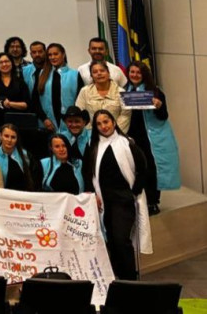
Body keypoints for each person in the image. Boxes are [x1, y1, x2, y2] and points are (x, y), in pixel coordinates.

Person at [83, 110, 148, 281]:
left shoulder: (127, 143)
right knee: (111, 240)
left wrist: (134, 191)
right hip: (104, 201)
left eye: (106, 122)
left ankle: (130, 279)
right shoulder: (93, 146)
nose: (104, 126)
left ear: (113, 122)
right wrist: (92, 194)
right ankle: (117, 277)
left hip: (124, 200)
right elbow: (87, 172)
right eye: (99, 124)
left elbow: (143, 169)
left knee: (121, 240)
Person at [126, 61, 180, 215]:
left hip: (151, 138)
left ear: (144, 75)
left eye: (138, 72)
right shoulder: (124, 91)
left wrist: (159, 106)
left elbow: (164, 116)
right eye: (132, 72)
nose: (135, 75)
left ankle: (153, 201)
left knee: (151, 169)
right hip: (132, 137)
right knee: (136, 169)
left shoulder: (155, 92)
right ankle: (138, 201)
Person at [31, 43, 83, 133]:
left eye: (56, 54)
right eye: (50, 55)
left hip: (71, 125)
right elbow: (35, 100)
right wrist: (44, 119)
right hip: (47, 125)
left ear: (63, 54)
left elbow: (81, 99)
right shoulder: (41, 74)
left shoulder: (74, 74)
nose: (52, 57)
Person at [76, 62, 131, 132]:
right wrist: (93, 133)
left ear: (108, 73)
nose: (99, 73)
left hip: (117, 134)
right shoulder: (84, 91)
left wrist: (113, 132)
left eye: (102, 71)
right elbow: (80, 114)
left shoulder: (122, 92)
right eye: (95, 72)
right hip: (92, 135)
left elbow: (125, 116)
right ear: (91, 76)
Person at [0, 124, 35, 191]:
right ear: (0, 136)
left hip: (21, 195)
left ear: (17, 139)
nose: (9, 140)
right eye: (6, 136)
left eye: (13, 137)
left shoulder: (26, 155)